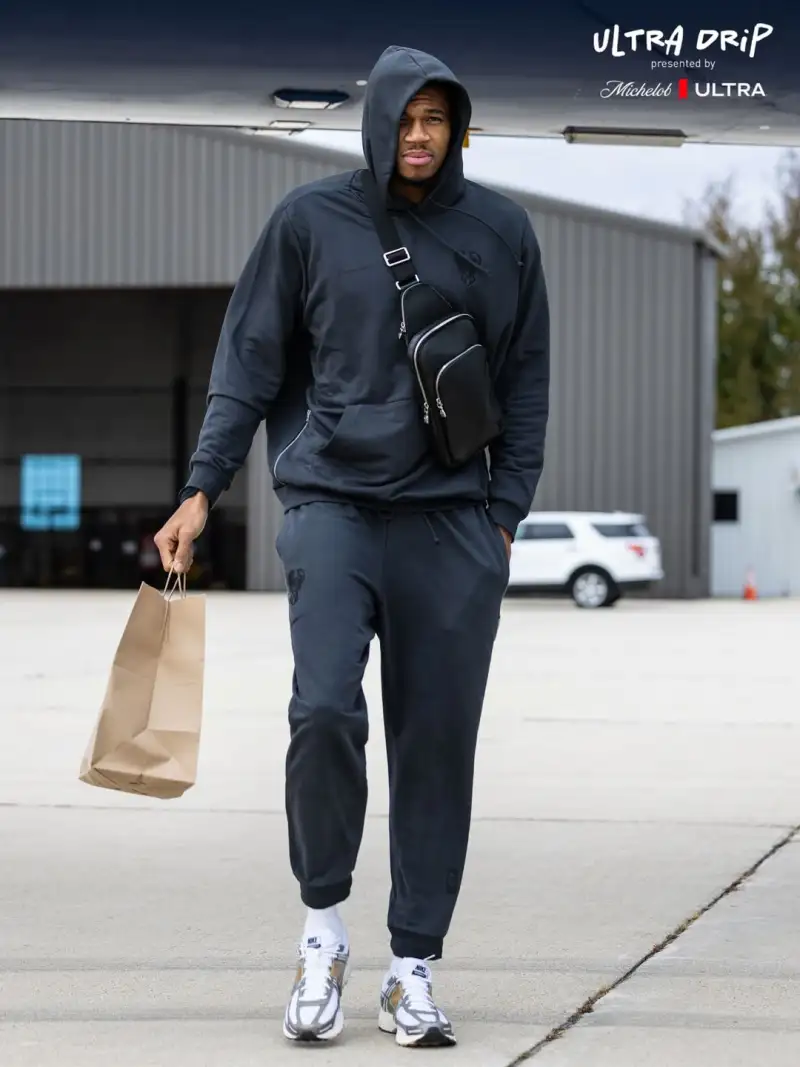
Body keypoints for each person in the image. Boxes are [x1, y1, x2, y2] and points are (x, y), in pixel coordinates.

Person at [153, 44, 550, 1048]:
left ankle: (412, 963)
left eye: (436, 120)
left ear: (456, 127)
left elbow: (527, 381)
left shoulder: (501, 231)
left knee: (435, 747)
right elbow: (246, 363)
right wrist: (202, 486)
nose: (418, 137)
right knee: (323, 708)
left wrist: (502, 514)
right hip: (331, 505)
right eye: (404, 119)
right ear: (376, 122)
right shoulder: (308, 224)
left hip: (452, 525)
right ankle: (321, 931)